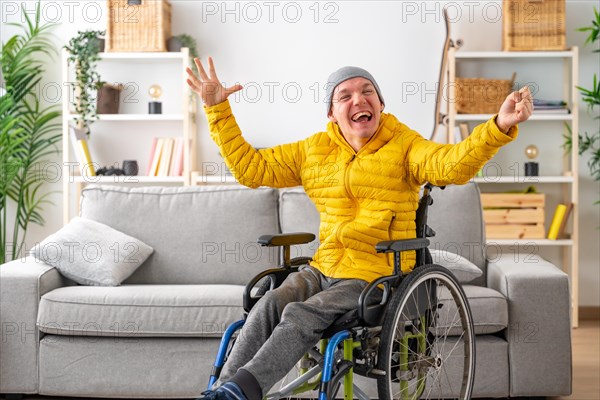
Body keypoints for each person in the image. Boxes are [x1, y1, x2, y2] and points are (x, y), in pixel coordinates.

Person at [186, 57, 533, 400]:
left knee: (301, 314)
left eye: (368, 91)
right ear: (331, 113)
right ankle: (223, 392)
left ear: (381, 104)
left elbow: (452, 165)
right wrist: (218, 110)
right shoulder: (313, 151)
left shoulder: (405, 145)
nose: (358, 100)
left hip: (376, 273)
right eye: (345, 96)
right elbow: (251, 169)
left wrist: (498, 126)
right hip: (324, 266)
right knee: (269, 304)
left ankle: (242, 391)